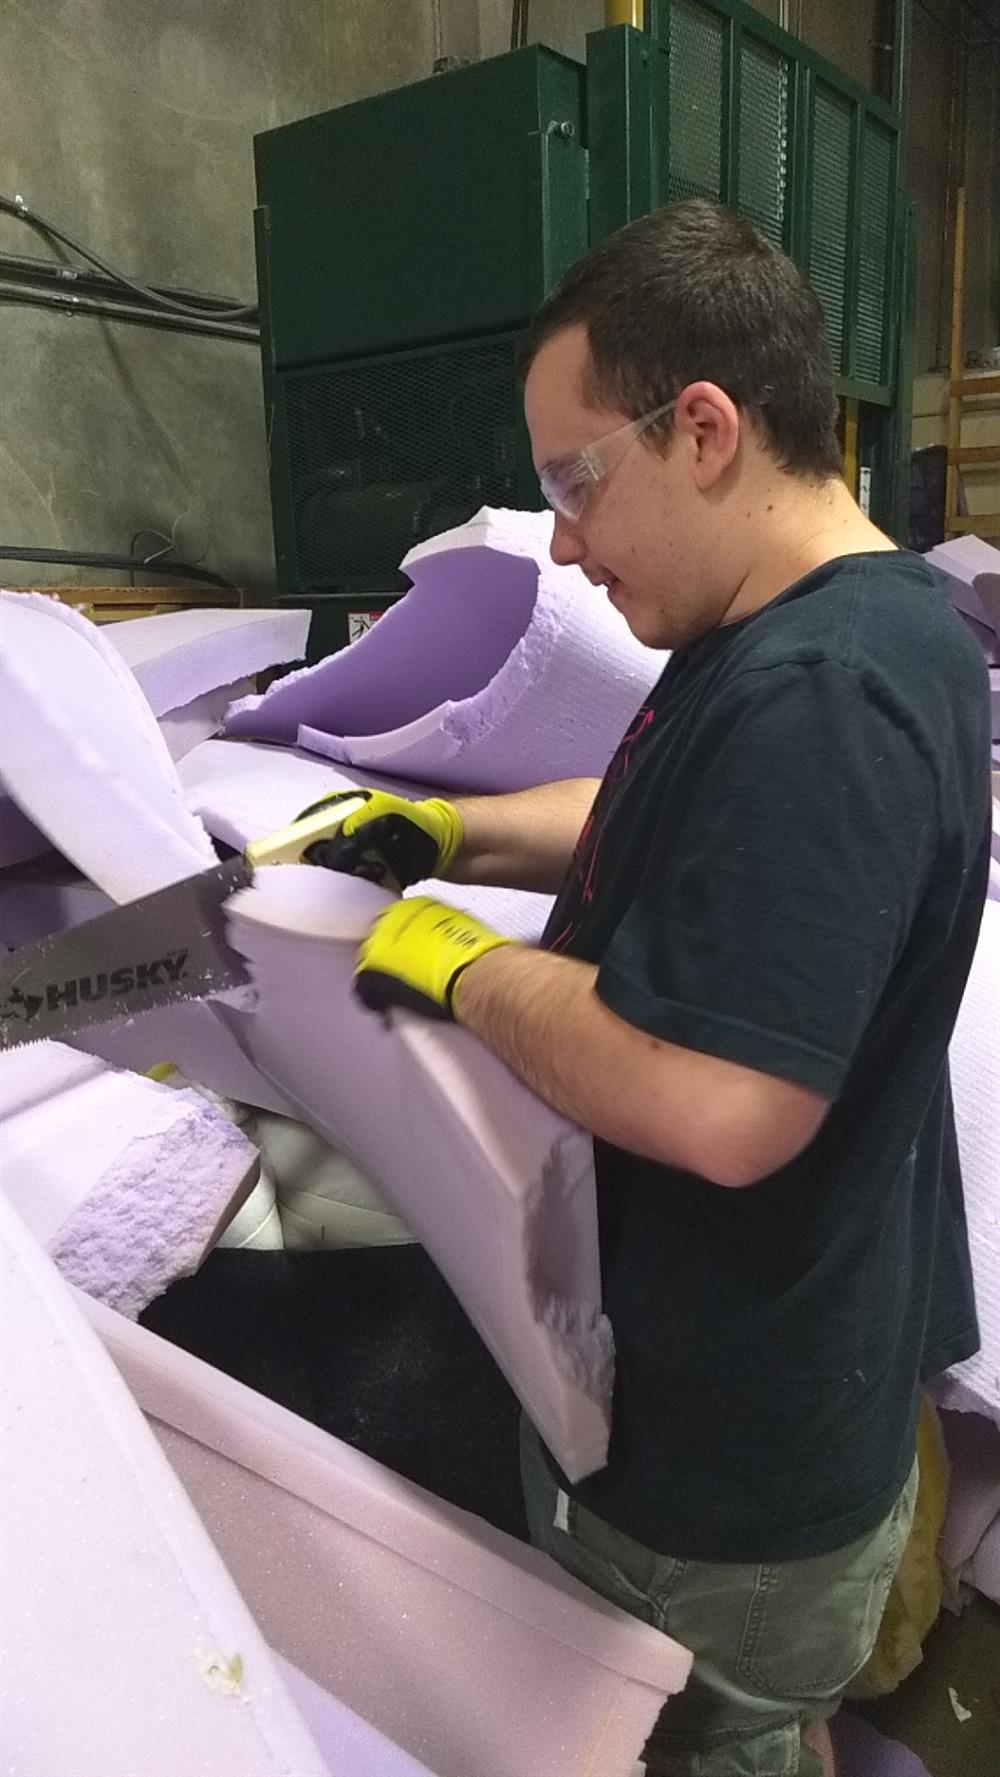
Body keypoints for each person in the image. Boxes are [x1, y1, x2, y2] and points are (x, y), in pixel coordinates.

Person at [313, 200, 992, 1776]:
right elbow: (675, 823)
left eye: (573, 479)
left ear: (703, 428)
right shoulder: (814, 623)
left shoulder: (830, 694)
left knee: (698, 1739)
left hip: (723, 1489)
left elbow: (721, 1100)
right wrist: (457, 829)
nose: (559, 537)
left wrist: (464, 968)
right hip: (791, 1387)